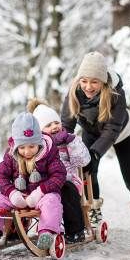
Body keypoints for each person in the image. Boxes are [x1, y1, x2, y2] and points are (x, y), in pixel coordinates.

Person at [61, 51, 130, 229]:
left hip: (123, 134)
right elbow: (66, 125)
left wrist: (95, 153)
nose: (88, 86)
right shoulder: (74, 92)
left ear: (103, 81)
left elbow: (112, 129)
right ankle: (94, 209)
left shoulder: (115, 94)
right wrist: (60, 148)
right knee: (88, 171)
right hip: (92, 132)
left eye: (94, 81)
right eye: (84, 81)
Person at [0, 112, 66, 250]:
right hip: (18, 196)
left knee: (52, 202)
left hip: (42, 195)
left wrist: (41, 191)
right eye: (22, 147)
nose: (27, 152)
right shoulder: (11, 156)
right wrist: (11, 193)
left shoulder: (49, 154)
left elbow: (59, 175)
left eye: (32, 146)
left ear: (39, 143)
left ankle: (46, 233)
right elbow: (0, 175)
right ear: (16, 146)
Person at [29, 98, 90, 244]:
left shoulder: (70, 140)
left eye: (56, 122)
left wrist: (71, 143)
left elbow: (83, 161)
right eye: (48, 125)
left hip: (68, 181)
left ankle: (75, 231)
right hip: (47, 185)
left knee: (66, 190)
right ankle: (44, 229)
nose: (54, 126)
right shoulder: (38, 147)